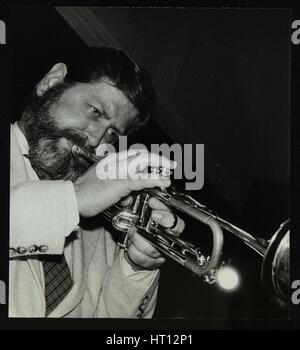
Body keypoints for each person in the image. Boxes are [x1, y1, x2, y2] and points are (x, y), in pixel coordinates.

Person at [9, 47, 185, 318]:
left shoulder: (101, 234)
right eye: (95, 111)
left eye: (112, 134)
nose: (95, 139)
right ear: (52, 82)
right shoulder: (80, 201)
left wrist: (138, 266)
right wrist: (75, 197)